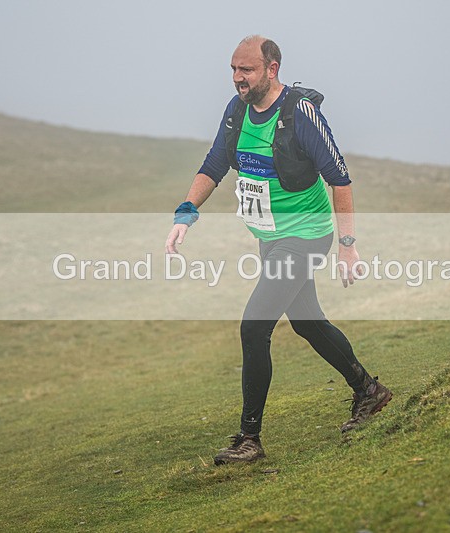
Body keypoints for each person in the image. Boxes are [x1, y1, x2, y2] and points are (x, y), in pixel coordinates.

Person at [165, 35, 391, 465]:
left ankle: (250, 438)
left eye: (246, 70)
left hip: (305, 236)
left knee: (254, 327)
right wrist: (185, 213)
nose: (237, 78)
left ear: (272, 69)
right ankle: (368, 391)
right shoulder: (237, 111)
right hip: (270, 238)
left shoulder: (299, 114)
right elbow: (215, 163)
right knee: (308, 322)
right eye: (233, 69)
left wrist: (347, 247)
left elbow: (339, 180)